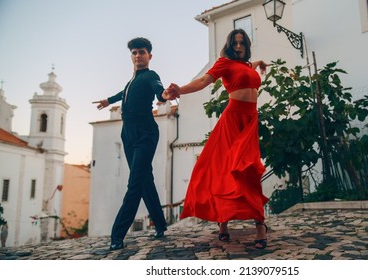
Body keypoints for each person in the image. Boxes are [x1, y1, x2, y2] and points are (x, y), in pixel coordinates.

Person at [165, 29, 270, 249]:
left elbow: (250, 67)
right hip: (232, 120)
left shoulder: (246, 66)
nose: (239, 47)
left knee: (249, 170)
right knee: (225, 171)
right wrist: (179, 90)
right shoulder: (224, 63)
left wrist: (259, 63)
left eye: (242, 43)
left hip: (250, 122)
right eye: (235, 43)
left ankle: (260, 225)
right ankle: (223, 225)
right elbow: (203, 81)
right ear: (230, 46)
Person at [93, 37, 175, 250]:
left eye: (142, 52)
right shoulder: (131, 80)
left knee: (135, 183)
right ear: (131, 56)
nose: (138, 55)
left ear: (149, 56)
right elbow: (124, 94)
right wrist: (108, 101)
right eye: (135, 52)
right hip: (127, 134)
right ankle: (161, 224)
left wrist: (164, 96)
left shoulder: (151, 75)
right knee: (145, 179)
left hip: (146, 133)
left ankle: (117, 235)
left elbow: (159, 89)